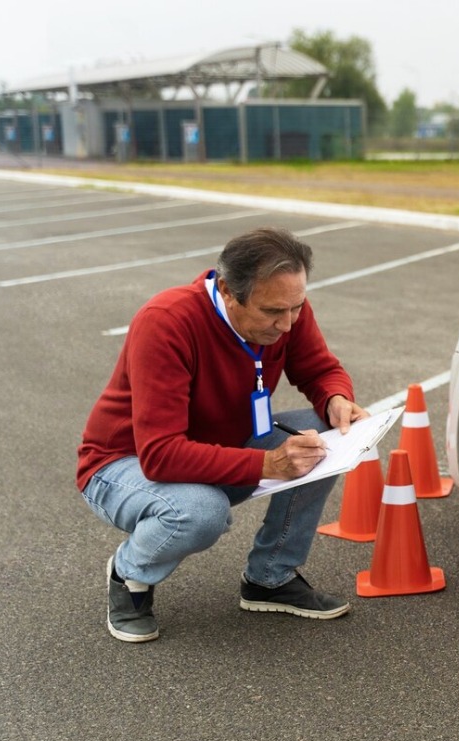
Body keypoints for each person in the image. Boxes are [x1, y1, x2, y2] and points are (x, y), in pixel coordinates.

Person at [78, 226, 369, 643]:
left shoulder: (284, 305)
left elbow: (320, 370)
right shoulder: (166, 322)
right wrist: (268, 463)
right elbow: (160, 454)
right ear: (230, 292)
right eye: (273, 312)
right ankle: (130, 576)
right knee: (202, 510)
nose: (287, 324)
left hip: (219, 446)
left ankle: (270, 578)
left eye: (297, 308)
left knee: (322, 436)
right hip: (123, 464)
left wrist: (336, 399)